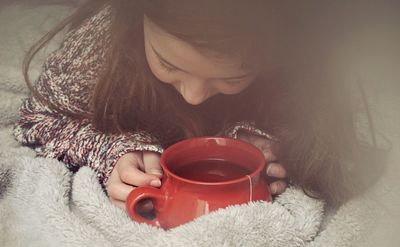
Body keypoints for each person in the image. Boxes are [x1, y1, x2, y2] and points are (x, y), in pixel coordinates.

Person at [13, 0, 374, 210]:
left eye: (233, 78)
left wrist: (283, 146)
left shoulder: (303, 62)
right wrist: (108, 149)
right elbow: (37, 118)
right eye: (168, 64)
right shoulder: (101, 44)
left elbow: (331, 141)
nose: (193, 96)